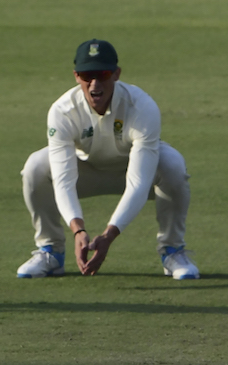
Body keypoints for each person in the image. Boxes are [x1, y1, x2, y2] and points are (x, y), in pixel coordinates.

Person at [17, 39, 200, 279]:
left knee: (173, 163)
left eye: (103, 74)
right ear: (76, 76)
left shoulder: (141, 106)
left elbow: (138, 182)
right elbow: (63, 181)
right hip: (86, 173)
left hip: (133, 173)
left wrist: (109, 235)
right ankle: (51, 251)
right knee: (36, 166)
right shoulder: (62, 111)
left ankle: (172, 251)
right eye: (87, 75)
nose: (95, 84)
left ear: (116, 74)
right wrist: (78, 230)